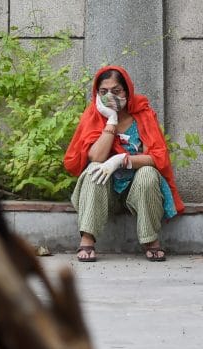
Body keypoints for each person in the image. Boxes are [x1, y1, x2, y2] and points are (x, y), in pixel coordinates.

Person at [63, 65, 184, 262]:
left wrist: (122, 160)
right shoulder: (94, 116)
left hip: (137, 188)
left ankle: (150, 239)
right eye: (104, 92)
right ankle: (87, 237)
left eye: (116, 91)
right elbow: (96, 156)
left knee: (148, 173)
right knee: (95, 169)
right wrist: (111, 120)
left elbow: (156, 158)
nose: (110, 96)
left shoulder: (142, 114)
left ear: (127, 90)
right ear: (96, 94)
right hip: (105, 191)